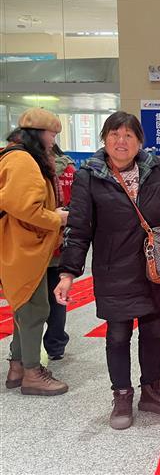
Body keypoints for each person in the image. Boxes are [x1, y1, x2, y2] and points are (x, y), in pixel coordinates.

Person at [54, 111, 160, 430]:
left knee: (153, 331)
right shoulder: (89, 176)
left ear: (139, 141)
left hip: (154, 269)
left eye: (129, 135)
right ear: (104, 139)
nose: (121, 141)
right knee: (118, 335)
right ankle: (122, 394)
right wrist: (67, 273)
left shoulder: (155, 168)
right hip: (113, 270)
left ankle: (152, 390)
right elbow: (78, 228)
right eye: (115, 134)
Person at [0, 107, 69, 396]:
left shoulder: (16, 155)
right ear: (37, 134)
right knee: (33, 309)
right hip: (23, 247)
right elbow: (26, 207)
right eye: (52, 134)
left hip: (24, 246)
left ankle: (17, 368)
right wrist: (57, 218)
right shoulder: (23, 160)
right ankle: (32, 373)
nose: (53, 141)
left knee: (25, 306)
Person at [44, 144, 76, 360]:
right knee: (58, 298)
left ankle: (21, 349)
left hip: (36, 245)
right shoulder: (70, 170)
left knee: (29, 301)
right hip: (61, 242)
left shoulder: (35, 170)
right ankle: (56, 346)